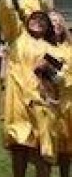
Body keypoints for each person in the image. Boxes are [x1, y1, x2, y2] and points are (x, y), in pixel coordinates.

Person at [0, 0, 63, 177]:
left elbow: (59, 77)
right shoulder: (17, 37)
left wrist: (50, 74)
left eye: (43, 20)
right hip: (19, 102)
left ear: (48, 27)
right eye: (34, 18)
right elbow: (8, 14)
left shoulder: (52, 49)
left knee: (43, 153)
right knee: (20, 150)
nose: (38, 21)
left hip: (43, 104)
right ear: (27, 21)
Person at [51, 11, 72, 177]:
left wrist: (64, 78)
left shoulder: (69, 48)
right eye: (51, 22)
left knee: (66, 148)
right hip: (48, 102)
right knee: (47, 148)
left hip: (67, 102)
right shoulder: (43, 47)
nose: (55, 24)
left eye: (58, 22)